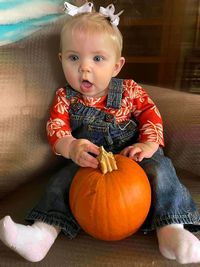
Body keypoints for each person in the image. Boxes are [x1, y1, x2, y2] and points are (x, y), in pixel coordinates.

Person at [0, 2, 200, 264]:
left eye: (97, 59)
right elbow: (56, 127)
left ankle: (172, 229)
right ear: (61, 60)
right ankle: (42, 233)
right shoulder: (65, 97)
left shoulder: (129, 90)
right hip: (89, 163)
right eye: (74, 58)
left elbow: (151, 115)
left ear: (116, 66)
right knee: (61, 182)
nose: (84, 68)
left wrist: (148, 145)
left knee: (162, 170)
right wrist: (71, 146)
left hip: (135, 159)